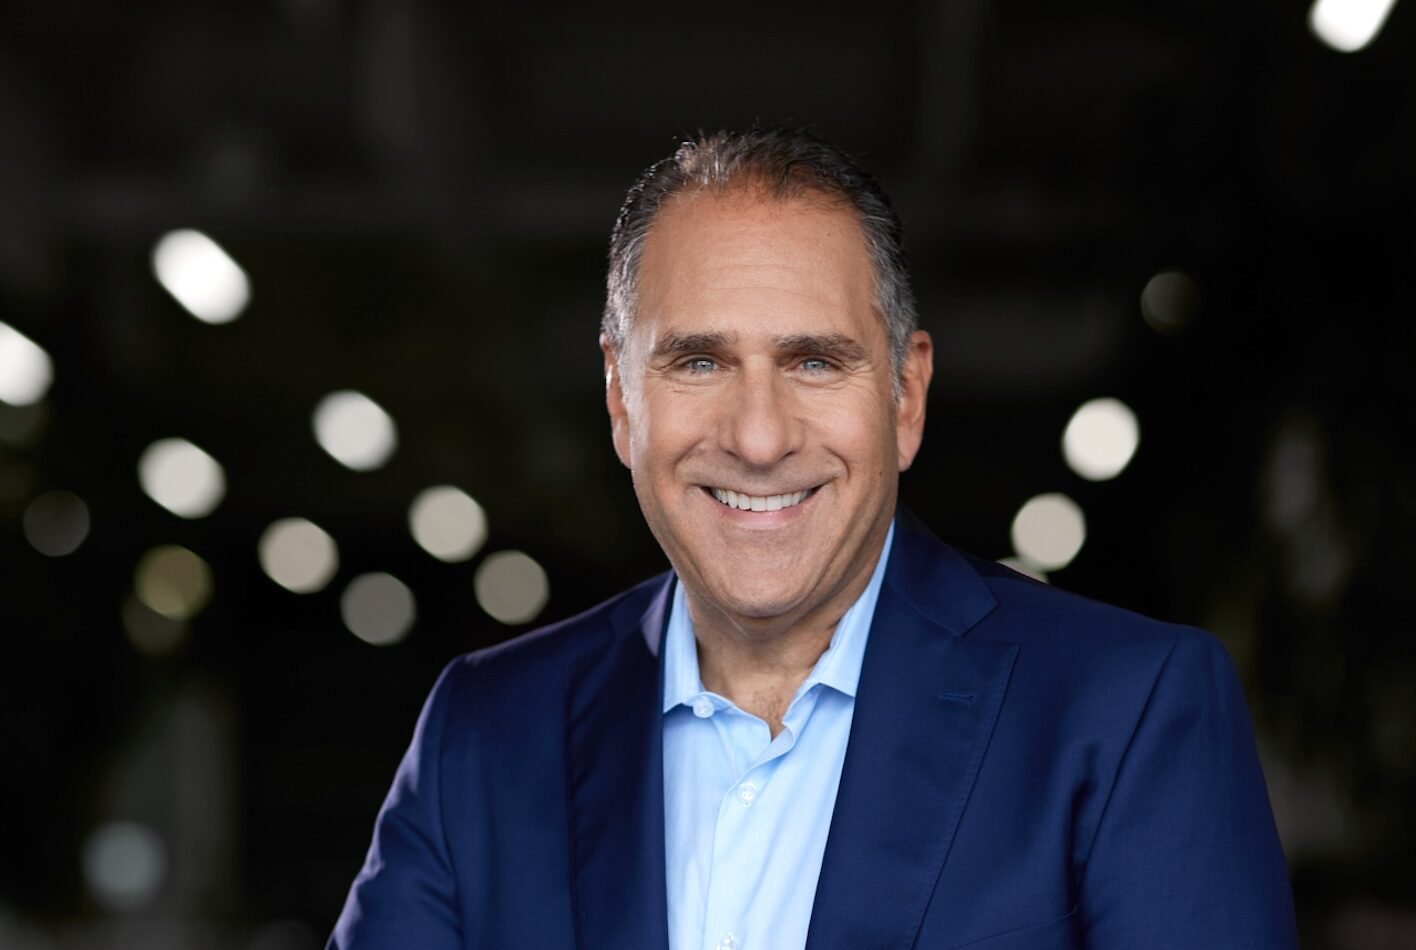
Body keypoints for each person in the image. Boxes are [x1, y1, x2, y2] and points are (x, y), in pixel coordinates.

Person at [328, 128, 1298, 950]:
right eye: (699, 361)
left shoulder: (1127, 715)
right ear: (622, 400)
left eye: (815, 362)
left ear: (906, 397)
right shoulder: (484, 737)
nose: (758, 437)